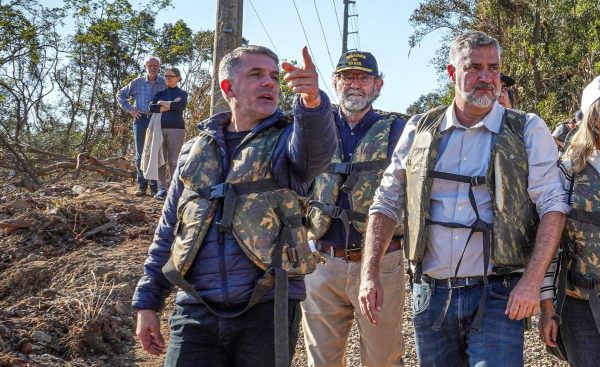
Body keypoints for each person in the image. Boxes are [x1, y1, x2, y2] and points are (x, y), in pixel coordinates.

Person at [358, 30, 568, 366]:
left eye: (494, 68)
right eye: (475, 67)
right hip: (430, 293)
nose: (487, 77)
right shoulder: (419, 129)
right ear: (452, 73)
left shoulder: (528, 129)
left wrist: (531, 283)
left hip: (498, 293)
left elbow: (553, 207)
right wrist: (369, 274)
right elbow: (386, 202)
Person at [131, 45, 336, 367]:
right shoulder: (192, 153)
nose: (269, 82)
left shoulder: (287, 143)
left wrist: (312, 102)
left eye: (273, 76)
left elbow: (317, 150)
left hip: (268, 306)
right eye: (256, 75)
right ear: (228, 87)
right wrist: (147, 303)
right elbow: (169, 230)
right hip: (195, 307)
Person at [301, 51, 406, 366]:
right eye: (347, 76)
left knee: (383, 359)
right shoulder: (315, 125)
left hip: (381, 265)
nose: (355, 84)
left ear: (378, 86)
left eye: (364, 77)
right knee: (321, 360)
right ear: (335, 83)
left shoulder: (398, 130)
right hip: (322, 264)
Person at [540, 75, 600, 367]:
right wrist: (547, 306)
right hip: (581, 302)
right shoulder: (569, 170)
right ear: (595, 118)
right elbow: (551, 242)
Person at [117, 56, 166, 197]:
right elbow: (120, 94)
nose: (153, 67)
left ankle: (155, 186)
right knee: (140, 154)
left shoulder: (163, 82)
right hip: (141, 120)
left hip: (157, 120)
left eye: (155, 65)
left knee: (155, 152)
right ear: (145, 67)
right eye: (150, 65)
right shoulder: (137, 82)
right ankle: (142, 185)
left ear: (159, 67)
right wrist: (130, 109)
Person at [147, 66, 188, 201]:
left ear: (178, 78)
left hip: (176, 129)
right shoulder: (160, 93)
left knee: (174, 160)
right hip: (158, 128)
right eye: (166, 76)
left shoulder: (182, 93)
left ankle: (175, 189)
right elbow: (152, 108)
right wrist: (169, 105)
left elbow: (179, 107)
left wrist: (162, 104)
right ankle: (162, 189)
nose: (168, 78)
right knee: (160, 159)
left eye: (171, 76)